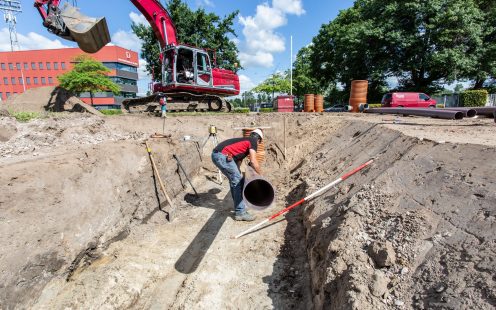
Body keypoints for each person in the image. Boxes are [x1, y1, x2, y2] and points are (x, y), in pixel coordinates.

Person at [211, 129, 263, 221]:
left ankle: (239, 208)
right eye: (259, 143)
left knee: (235, 180)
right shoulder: (253, 141)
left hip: (221, 155)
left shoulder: (244, 143)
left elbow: (238, 161)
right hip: (222, 155)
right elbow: (253, 161)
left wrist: (239, 173)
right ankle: (240, 212)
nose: (258, 145)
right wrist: (261, 177)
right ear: (258, 140)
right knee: (238, 182)